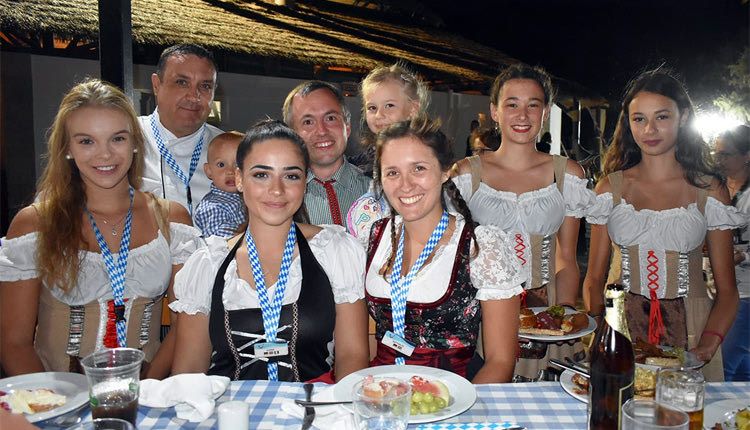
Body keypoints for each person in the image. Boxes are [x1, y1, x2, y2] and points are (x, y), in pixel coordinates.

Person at [0, 79, 202, 378]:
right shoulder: (36, 224)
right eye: (86, 141)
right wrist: (52, 410)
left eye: (117, 139)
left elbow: (184, 325)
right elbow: (13, 342)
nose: (105, 155)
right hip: (59, 398)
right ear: (67, 148)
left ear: (135, 143)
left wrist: (146, 389)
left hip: (146, 389)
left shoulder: (172, 221)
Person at [170, 120, 369, 382]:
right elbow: (188, 373)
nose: (277, 190)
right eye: (261, 175)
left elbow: (352, 356)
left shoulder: (334, 251)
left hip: (310, 412)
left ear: (304, 182)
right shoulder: (209, 264)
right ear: (239, 179)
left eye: (291, 175)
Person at [583, 69, 744, 381]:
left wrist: (709, 344)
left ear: (683, 117)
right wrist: (600, 327)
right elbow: (593, 279)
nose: (649, 129)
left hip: (693, 333)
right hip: (620, 330)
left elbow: (727, 292)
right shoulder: (609, 189)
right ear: (628, 124)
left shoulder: (709, 190)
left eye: (662, 117)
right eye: (639, 119)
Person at [451, 64, 594, 380]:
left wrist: (563, 313)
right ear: (495, 111)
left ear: (545, 114)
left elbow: (567, 259)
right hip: (481, 311)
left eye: (534, 105)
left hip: (547, 311)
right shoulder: (465, 174)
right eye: (512, 104)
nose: (523, 114)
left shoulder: (567, 174)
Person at [365, 117, 523, 383]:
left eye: (418, 168)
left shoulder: (481, 247)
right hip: (383, 391)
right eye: (392, 172)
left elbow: (501, 362)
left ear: (445, 171)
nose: (405, 185)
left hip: (451, 396)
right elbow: (371, 335)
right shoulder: (376, 235)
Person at [139, 43, 224, 219]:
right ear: (156, 85)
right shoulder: (126, 139)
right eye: (182, 82)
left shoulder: (231, 148)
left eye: (205, 86)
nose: (194, 96)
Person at [347, 64, 430, 238]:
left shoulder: (425, 154)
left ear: (412, 109)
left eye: (389, 105)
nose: (379, 115)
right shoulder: (361, 163)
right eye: (372, 108)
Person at [282, 81, 371, 226]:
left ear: (347, 127)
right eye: (308, 122)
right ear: (292, 134)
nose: (322, 131)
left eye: (330, 118)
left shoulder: (378, 192)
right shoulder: (279, 198)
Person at [714, 124, 750, 381]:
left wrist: (743, 256)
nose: (719, 160)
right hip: (718, 288)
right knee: (741, 373)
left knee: (721, 368)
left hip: (746, 294)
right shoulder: (718, 188)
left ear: (747, 155)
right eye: (717, 154)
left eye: (725, 154)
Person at [194, 131, 246, 238]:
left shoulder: (250, 196)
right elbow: (219, 236)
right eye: (221, 164)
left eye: (238, 164)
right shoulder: (212, 206)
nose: (230, 171)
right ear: (209, 171)